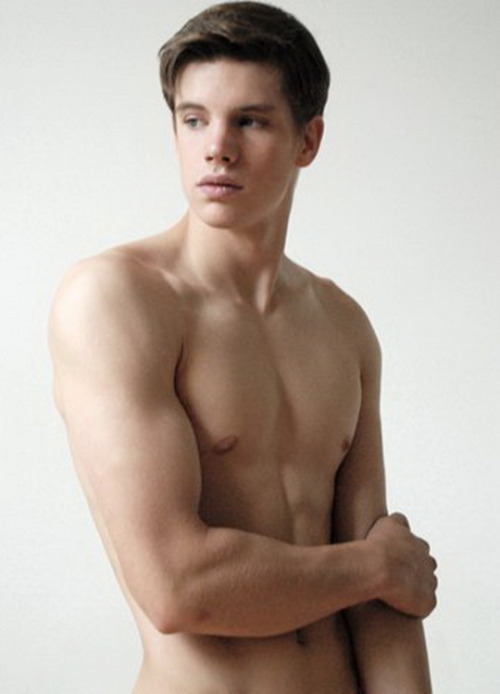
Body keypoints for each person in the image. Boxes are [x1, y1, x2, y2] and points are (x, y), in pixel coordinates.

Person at [49, 3, 437, 693]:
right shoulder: (117, 300)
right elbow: (180, 586)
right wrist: (376, 567)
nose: (217, 148)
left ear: (308, 140)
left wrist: (386, 575)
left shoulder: (343, 324)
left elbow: (388, 605)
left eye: (250, 122)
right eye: (194, 119)